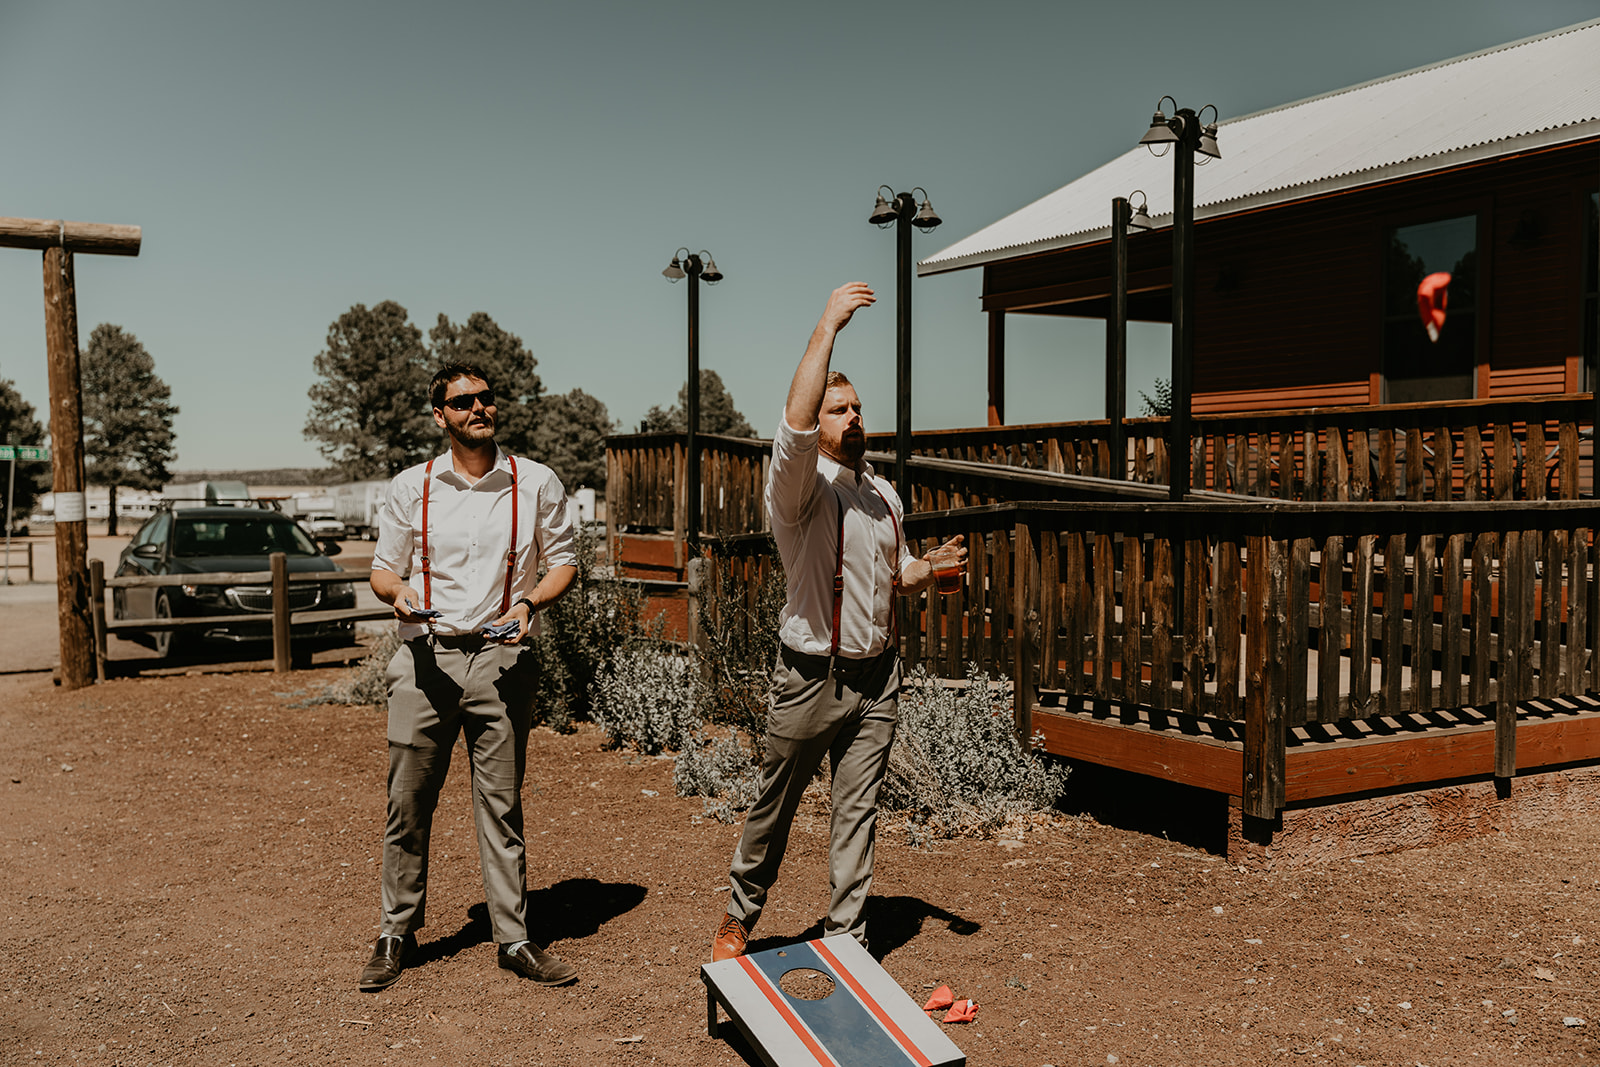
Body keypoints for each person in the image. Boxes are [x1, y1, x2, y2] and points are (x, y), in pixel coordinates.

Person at [711, 282, 965, 960]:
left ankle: (846, 936)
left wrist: (931, 568)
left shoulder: (883, 492)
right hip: (810, 677)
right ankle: (740, 915)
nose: (852, 417)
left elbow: (897, 572)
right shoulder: (800, 487)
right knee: (775, 805)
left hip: (877, 678)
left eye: (857, 407)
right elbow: (793, 425)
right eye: (837, 408)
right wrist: (827, 325)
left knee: (857, 814)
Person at [358, 362, 580, 992]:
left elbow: (563, 561)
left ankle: (514, 939)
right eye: (463, 402)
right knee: (407, 803)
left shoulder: (535, 482)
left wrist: (529, 603)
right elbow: (383, 569)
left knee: (502, 807)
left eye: (486, 398)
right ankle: (395, 932)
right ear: (440, 416)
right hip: (425, 660)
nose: (478, 409)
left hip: (503, 660)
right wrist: (398, 594)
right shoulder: (412, 486)